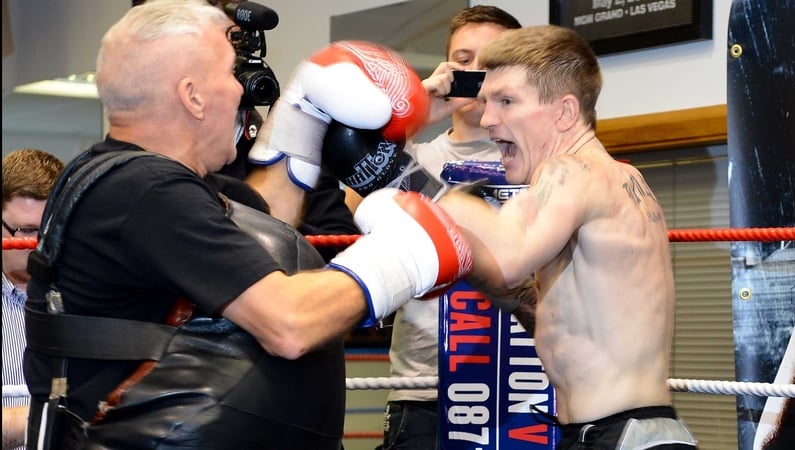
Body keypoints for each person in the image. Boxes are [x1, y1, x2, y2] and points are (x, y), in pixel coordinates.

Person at [21, 1, 471, 448]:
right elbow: (290, 324)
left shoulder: (144, 181)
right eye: (228, 75)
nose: (241, 93)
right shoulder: (145, 190)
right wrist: (404, 256)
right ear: (192, 95)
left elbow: (264, 236)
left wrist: (302, 117)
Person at [432, 25, 699, 449]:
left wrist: (428, 194)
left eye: (506, 102)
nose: (487, 119)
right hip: (618, 430)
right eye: (486, 102)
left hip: (621, 433)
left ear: (564, 112)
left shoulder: (571, 172)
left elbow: (507, 258)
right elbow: (551, 304)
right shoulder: (615, 178)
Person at [377, 6, 522, 450]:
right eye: (462, 58)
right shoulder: (412, 156)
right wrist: (417, 113)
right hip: (424, 389)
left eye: (490, 61)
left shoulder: (535, 161)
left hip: (519, 381)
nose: (473, 71)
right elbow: (345, 213)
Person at [2, 149, 64, 450]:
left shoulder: (86, 301)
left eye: (48, 232)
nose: (37, 246)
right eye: (25, 230)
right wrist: (43, 420)